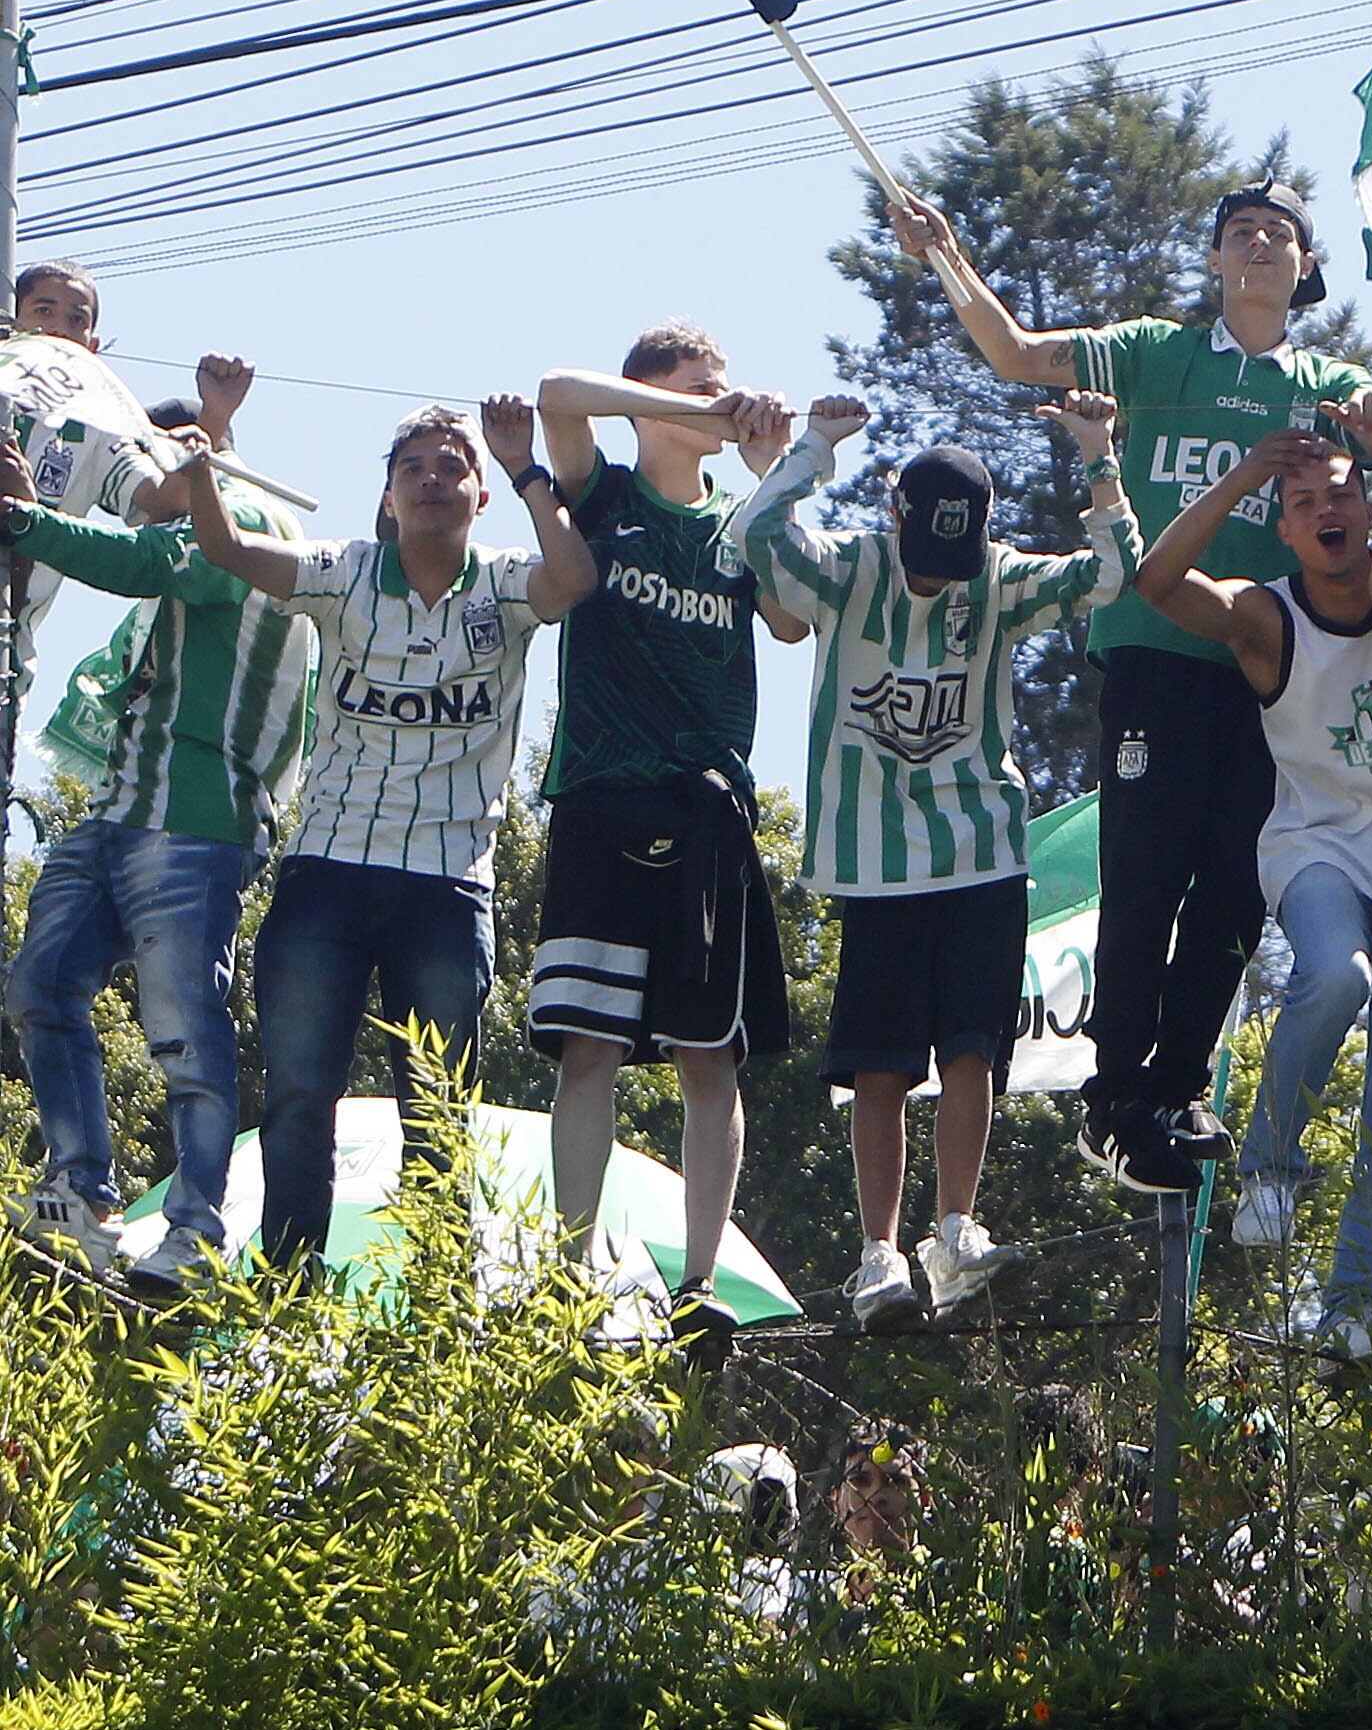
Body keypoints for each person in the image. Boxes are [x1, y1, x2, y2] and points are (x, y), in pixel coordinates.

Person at [893, 180, 1372, 1190]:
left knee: (1239, 887)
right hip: (1156, 651)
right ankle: (1113, 1094)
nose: (1257, 245)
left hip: (1272, 667)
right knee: (1148, 876)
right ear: (1214, 262)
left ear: (1304, 270)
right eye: (1239, 232)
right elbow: (1019, 353)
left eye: (1279, 236)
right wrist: (945, 253)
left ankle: (1179, 1084)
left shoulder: (1329, 380)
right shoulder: (1159, 350)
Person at [726, 392, 1140, 1329]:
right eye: (925, 554)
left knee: (970, 1053)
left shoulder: (992, 579)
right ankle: (877, 1254)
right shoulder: (850, 569)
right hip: (875, 863)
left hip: (981, 849)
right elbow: (759, 539)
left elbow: (1114, 573)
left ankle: (955, 1233)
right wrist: (814, 447)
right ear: (895, 517)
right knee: (878, 1068)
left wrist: (1099, 458)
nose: (935, 578)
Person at [182, 399, 595, 1267]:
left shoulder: (505, 580)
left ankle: (439, 1304)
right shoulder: (343, 571)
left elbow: (575, 581)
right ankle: (284, 1300)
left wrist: (525, 469)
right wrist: (204, 468)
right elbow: (227, 550)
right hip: (325, 871)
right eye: (413, 469)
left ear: (478, 496)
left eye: (453, 468)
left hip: (447, 883)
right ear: (387, 495)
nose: (433, 481)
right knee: (297, 1096)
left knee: (439, 1106)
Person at [1130, 409, 1372, 1318]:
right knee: (1334, 977)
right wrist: (1243, 475)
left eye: (1343, 495)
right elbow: (1157, 580)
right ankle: (1268, 1165)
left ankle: (1355, 1307)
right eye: (1304, 500)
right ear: (1284, 528)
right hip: (1318, 851)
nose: (1327, 511)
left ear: (1370, 511)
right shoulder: (1266, 616)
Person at [0, 364, 313, 1287]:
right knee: (43, 981)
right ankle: (78, 1189)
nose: (133, 503)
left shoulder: (248, 523)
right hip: (127, 807)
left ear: (183, 466)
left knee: (182, 1025)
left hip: (199, 815)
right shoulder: (202, 523)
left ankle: (194, 1230)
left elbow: (139, 560)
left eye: (137, 484)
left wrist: (20, 517)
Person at [525, 329, 807, 1349]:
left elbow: (788, 618)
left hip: (706, 810)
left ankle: (698, 1281)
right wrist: (700, 416)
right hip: (602, 799)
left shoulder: (739, 523)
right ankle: (567, 1274)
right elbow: (556, 391)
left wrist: (771, 471)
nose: (719, 406)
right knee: (587, 1049)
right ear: (647, 405)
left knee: (708, 1058)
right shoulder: (603, 495)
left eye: (726, 390)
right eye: (697, 392)